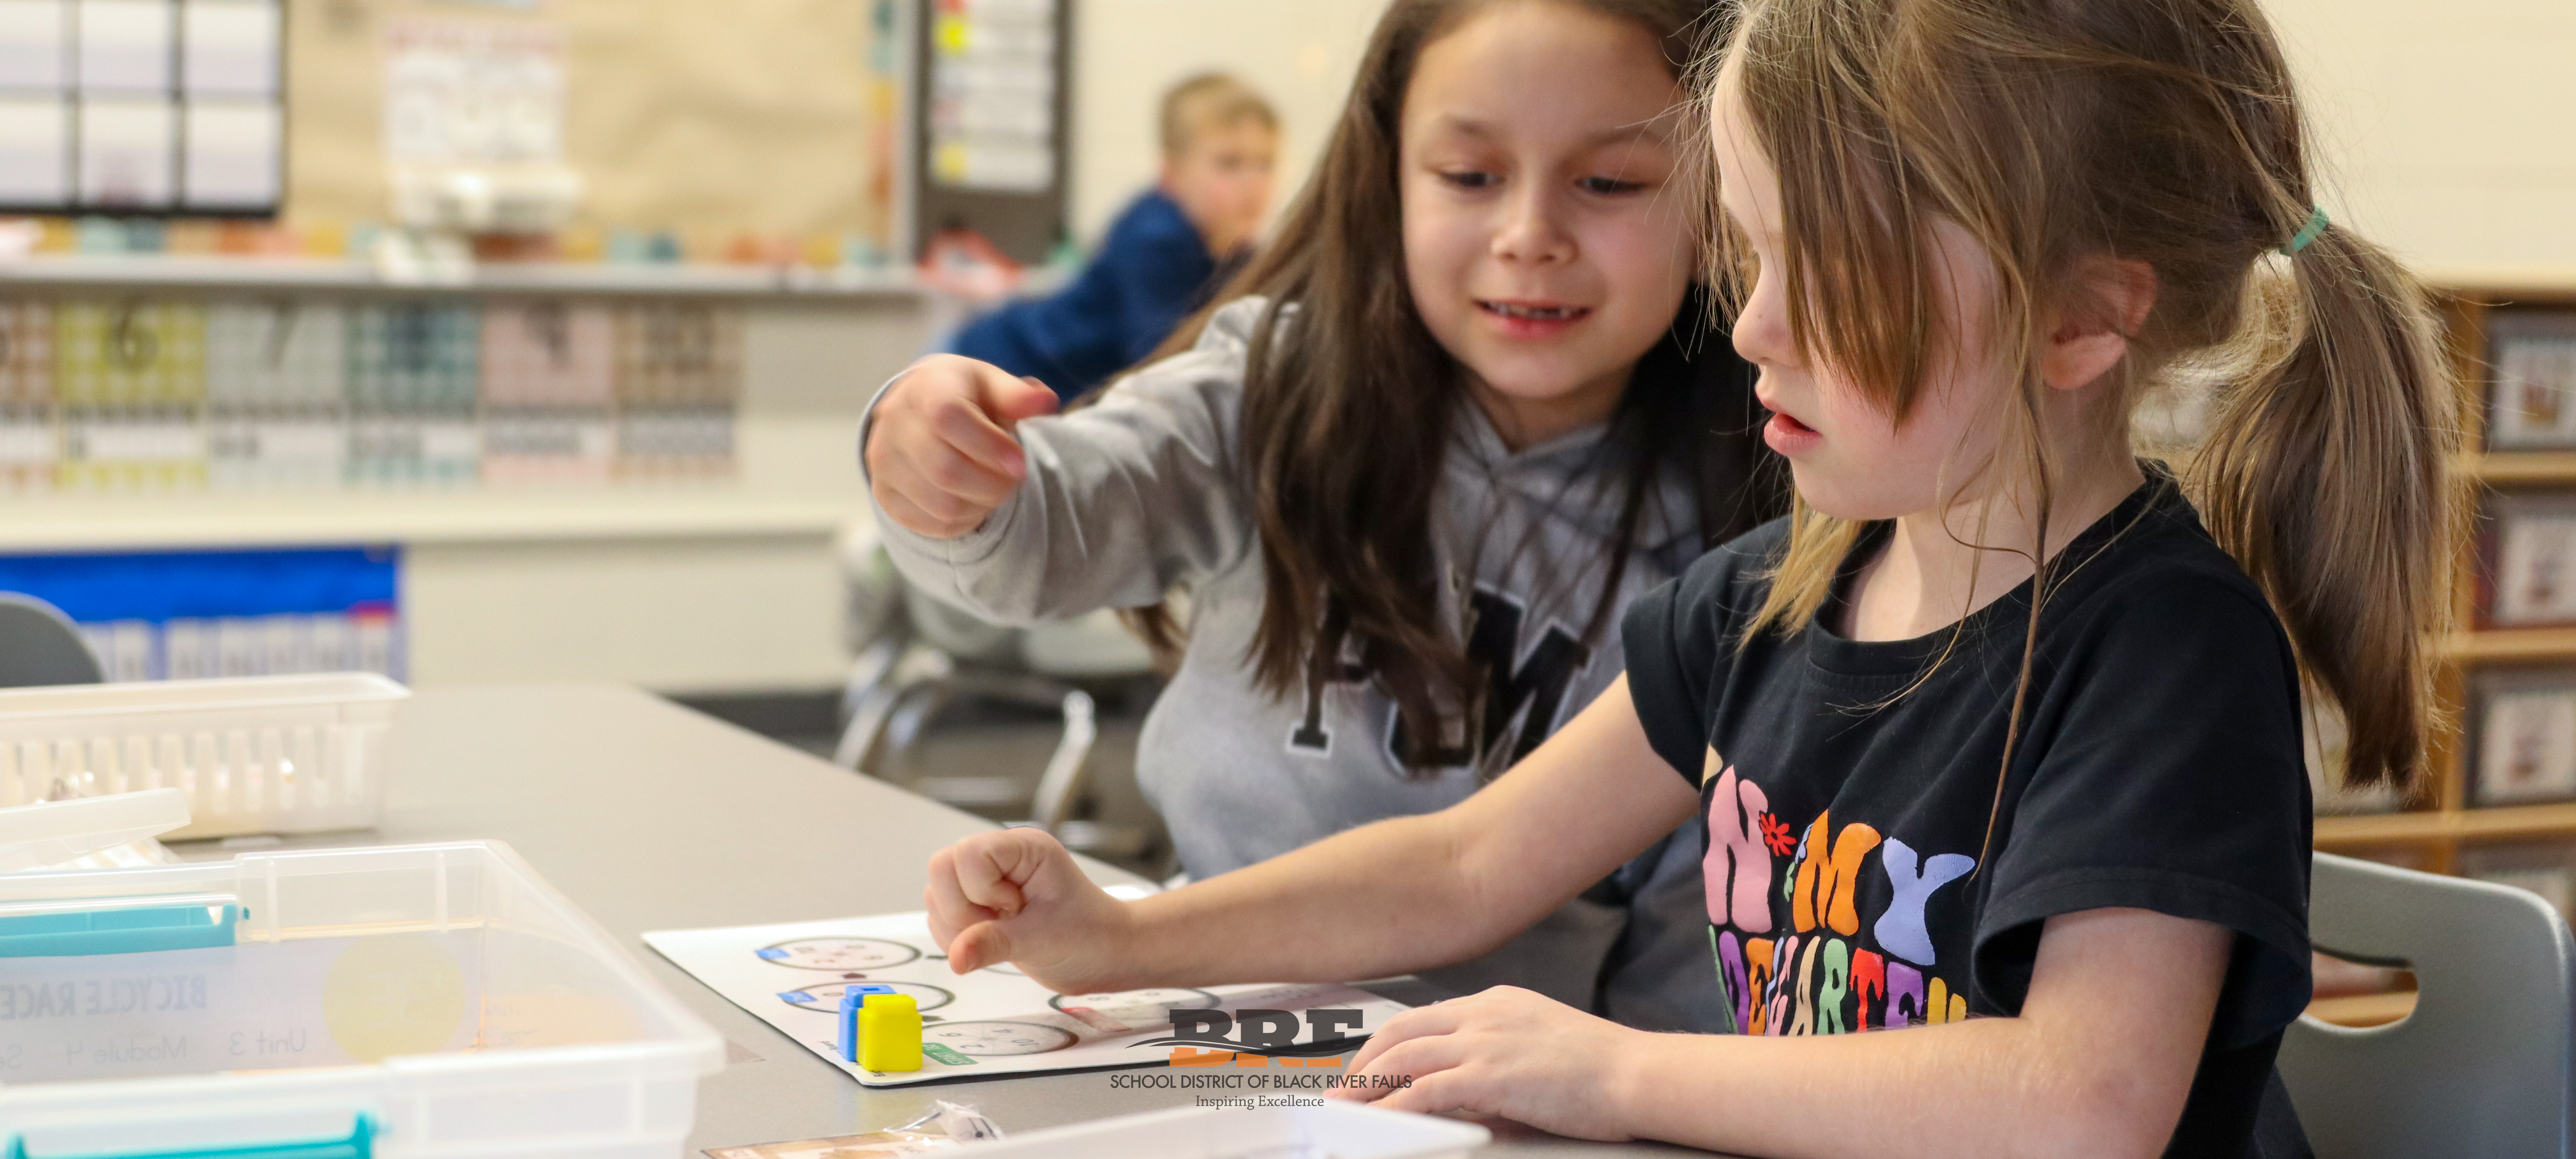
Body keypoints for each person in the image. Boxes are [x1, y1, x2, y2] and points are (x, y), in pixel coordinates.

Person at [913, 0, 2465, 1153]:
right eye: (1753, 258)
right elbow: (1463, 868)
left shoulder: (2161, 647)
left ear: (2081, 322)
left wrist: (1608, 1067)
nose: (1751, 329)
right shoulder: (1770, 597)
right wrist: (1119, 939)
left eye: (1827, 277)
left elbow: (2083, 1098)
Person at [866, 0, 1782, 1031]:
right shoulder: (1277, 390)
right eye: (1470, 176)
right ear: (1385, 179)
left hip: (1508, 1081)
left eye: (1609, 183)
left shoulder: (1743, 524)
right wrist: (942, 465)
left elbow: (1694, 952)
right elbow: (1040, 536)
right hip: (1200, 1008)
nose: (1530, 237)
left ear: (1721, 208)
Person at [947, 73, 1281, 402]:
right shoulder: (1154, 239)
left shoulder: (1234, 247)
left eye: (1265, 163)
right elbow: (1164, 367)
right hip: (990, 366)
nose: (1252, 183)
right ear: (1171, 172)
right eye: (1229, 163)